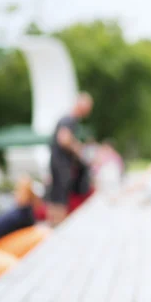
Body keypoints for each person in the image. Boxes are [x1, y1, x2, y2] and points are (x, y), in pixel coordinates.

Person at [46, 92, 93, 226]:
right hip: (61, 164)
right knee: (60, 197)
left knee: (56, 196)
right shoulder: (69, 119)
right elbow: (64, 139)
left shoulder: (69, 119)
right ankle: (57, 226)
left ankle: (54, 226)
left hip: (57, 163)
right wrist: (78, 148)